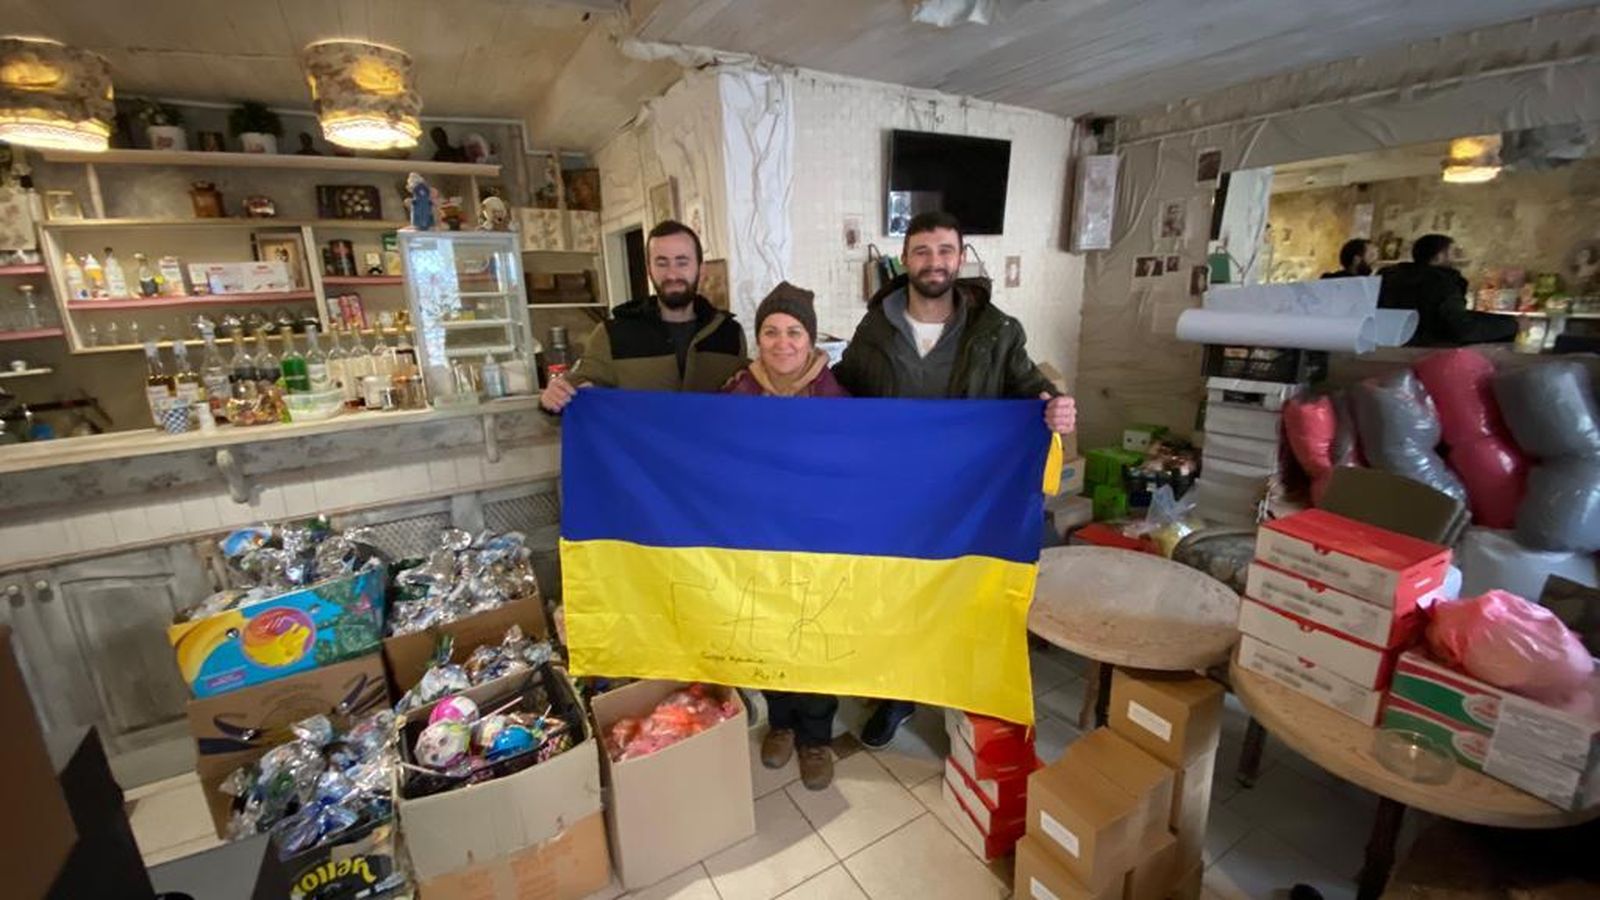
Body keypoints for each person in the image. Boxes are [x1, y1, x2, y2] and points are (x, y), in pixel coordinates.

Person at [833, 210, 1077, 748]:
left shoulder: (998, 330)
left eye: (945, 250)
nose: (934, 262)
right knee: (898, 595)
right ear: (906, 259)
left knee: (964, 594)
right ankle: (897, 696)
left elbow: (1030, 389)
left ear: (961, 257)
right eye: (922, 251)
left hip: (969, 496)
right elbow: (841, 393)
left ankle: (965, 696)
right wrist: (786, 384)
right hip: (894, 496)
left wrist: (1054, 407)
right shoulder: (876, 326)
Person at [720, 282, 847, 789]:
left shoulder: (836, 394)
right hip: (758, 539)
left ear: (810, 339)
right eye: (770, 331)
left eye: (794, 331)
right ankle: (781, 723)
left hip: (819, 541)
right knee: (768, 631)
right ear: (759, 338)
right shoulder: (737, 391)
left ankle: (816, 736)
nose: (782, 342)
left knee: (815, 636)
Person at [539, 220, 746, 412]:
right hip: (637, 453)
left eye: (682, 262)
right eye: (662, 263)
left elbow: (747, 398)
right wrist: (552, 398)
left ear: (701, 270)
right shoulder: (612, 335)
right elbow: (573, 390)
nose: (672, 274)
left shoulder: (729, 333)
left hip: (708, 452)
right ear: (649, 270)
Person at [1378, 234, 1517, 347]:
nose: (1455, 258)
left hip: (1387, 350)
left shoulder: (1388, 278)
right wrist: (1512, 325)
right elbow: (1460, 327)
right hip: (1430, 354)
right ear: (1439, 256)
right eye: (1452, 253)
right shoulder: (1441, 283)